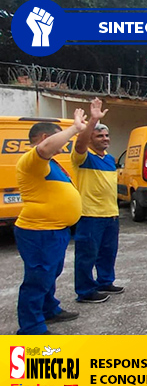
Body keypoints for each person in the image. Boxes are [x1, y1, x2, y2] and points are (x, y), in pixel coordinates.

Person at [15, 109, 87, 334]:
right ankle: (31, 327)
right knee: (38, 277)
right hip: (39, 231)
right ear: (46, 138)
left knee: (50, 273)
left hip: (55, 230)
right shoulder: (32, 159)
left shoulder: (51, 163)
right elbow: (44, 150)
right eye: (61, 137)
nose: (64, 144)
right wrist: (75, 128)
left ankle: (49, 309)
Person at [71, 98, 122, 304]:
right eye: (99, 135)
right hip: (90, 214)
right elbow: (80, 143)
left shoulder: (109, 159)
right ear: (90, 138)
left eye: (106, 135)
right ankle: (85, 291)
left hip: (111, 214)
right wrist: (92, 120)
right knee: (86, 255)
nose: (104, 138)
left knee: (108, 252)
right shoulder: (83, 157)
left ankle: (105, 281)